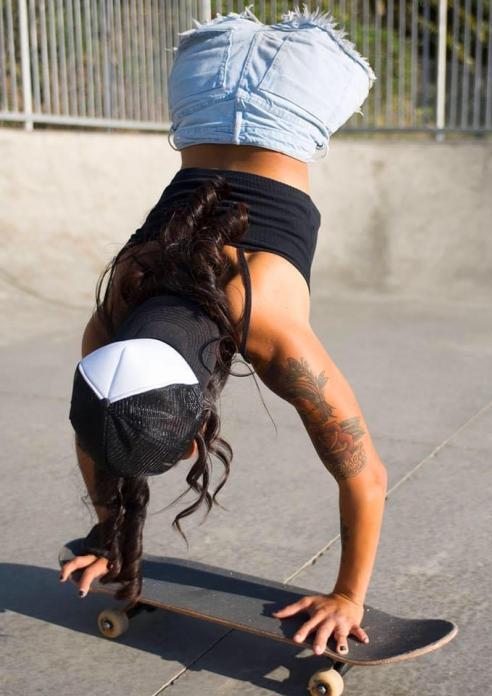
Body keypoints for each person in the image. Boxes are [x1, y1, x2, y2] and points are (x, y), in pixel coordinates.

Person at [58, 5, 387, 658]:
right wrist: (111, 541)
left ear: (193, 445)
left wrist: (348, 596)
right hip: (202, 87)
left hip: (297, 103)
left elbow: (366, 476)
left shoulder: (268, 325)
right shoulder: (112, 319)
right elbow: (97, 436)